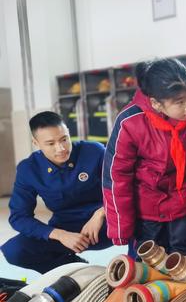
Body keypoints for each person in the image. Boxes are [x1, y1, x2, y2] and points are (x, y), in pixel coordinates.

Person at [102, 58, 186, 264]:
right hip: (146, 212)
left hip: (183, 206)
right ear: (156, 103)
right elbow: (116, 177)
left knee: (185, 263)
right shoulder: (130, 121)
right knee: (148, 265)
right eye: (179, 102)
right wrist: (121, 225)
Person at [1, 111, 111, 273]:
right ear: (36, 143)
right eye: (50, 143)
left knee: (147, 219)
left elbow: (126, 186)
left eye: (64, 139)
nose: (60, 148)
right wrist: (60, 235)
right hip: (68, 230)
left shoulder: (94, 151)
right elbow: (18, 217)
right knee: (15, 251)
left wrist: (102, 212)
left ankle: (144, 262)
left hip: (110, 221)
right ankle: (75, 269)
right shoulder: (29, 169)